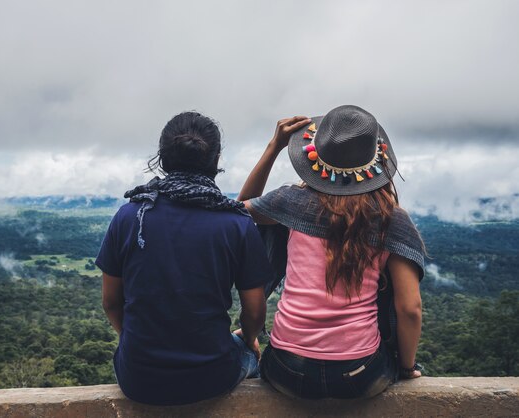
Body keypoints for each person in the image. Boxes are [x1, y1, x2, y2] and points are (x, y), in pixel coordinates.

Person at [238, 105, 425, 399]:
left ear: (316, 160)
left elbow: (241, 214)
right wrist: (406, 367)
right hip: (360, 375)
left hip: (286, 370)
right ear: (376, 162)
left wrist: (274, 147)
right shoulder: (392, 219)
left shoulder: (291, 202)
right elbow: (409, 308)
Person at [95, 111, 273, 405]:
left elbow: (111, 302)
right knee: (248, 350)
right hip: (211, 377)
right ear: (216, 161)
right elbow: (254, 313)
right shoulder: (235, 223)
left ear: (163, 160)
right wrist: (249, 337)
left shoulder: (130, 215)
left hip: (138, 378)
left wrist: (138, 342)